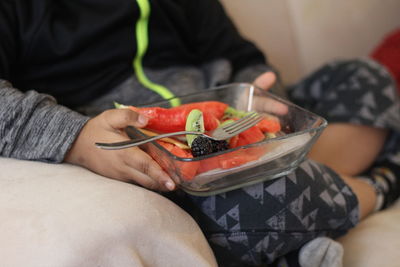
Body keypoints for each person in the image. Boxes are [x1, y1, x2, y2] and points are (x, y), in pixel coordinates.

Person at [1, 0, 399, 266]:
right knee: (260, 200)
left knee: (363, 77)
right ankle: (379, 183)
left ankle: (308, 208)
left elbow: (241, 57)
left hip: (235, 121)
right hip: (160, 154)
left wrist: (260, 98)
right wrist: (75, 138)